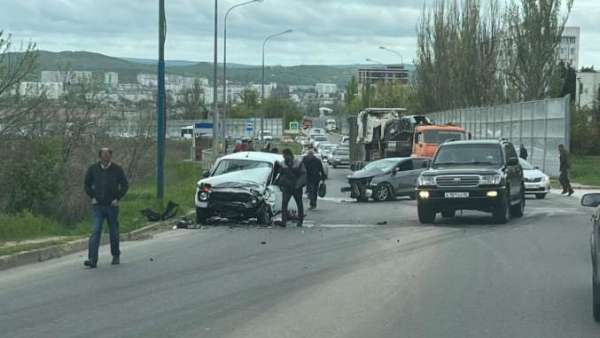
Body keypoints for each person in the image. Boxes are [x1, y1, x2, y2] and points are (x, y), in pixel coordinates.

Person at [83, 148, 129, 268]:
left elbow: (124, 185)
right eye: (103, 157)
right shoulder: (93, 169)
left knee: (113, 232)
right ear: (100, 158)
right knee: (96, 231)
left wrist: (117, 198)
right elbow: (87, 184)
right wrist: (92, 196)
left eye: (107, 157)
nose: (105, 160)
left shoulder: (117, 169)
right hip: (98, 205)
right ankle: (92, 259)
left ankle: (115, 255)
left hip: (112, 206)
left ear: (110, 157)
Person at [275, 148, 306, 227]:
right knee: (284, 204)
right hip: (287, 187)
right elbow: (281, 175)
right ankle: (283, 221)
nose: (284, 157)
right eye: (283, 156)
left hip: (296, 187)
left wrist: (299, 184)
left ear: (289, 154)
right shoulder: (283, 164)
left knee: (299, 204)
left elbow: (303, 174)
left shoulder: (298, 163)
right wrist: (280, 184)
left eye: (285, 155)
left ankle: (300, 221)